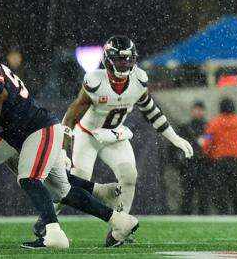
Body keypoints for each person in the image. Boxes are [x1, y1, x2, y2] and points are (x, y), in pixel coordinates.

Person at [0, 31, 137, 249]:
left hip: (36, 131)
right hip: (23, 133)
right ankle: (120, 221)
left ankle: (54, 235)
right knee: (62, 190)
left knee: (30, 178)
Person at [61, 35, 193, 244]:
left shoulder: (138, 80)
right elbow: (72, 114)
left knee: (129, 176)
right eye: (120, 59)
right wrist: (62, 146)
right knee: (75, 182)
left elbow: (151, 110)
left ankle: (119, 230)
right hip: (88, 134)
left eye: (128, 59)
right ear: (108, 60)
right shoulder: (95, 81)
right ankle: (47, 221)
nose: (125, 64)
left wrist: (174, 137)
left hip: (114, 134)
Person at [202, 98, 237, 214]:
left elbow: (207, 142)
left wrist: (208, 154)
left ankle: (223, 213)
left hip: (218, 163)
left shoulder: (214, 123)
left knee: (220, 191)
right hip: (235, 162)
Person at [179, 101, 210, 214]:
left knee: (203, 195)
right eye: (196, 109)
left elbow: (210, 141)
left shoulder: (209, 127)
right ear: (192, 111)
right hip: (189, 164)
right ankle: (186, 215)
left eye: (200, 110)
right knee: (187, 194)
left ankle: (203, 215)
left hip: (203, 164)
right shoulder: (186, 127)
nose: (198, 112)